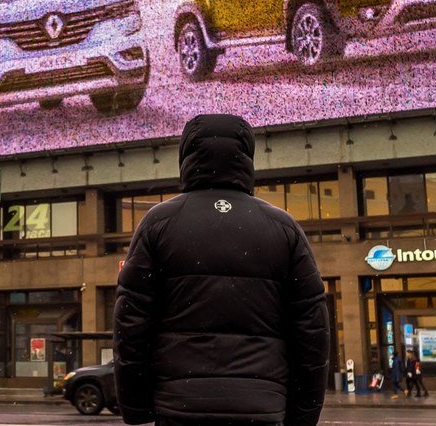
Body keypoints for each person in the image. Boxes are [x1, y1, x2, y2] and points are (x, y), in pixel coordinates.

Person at [114, 114, 329, 426]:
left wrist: (135, 406)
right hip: (261, 407)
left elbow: (130, 324)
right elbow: (312, 330)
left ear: (186, 155)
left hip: (180, 406)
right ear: (247, 156)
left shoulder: (158, 223)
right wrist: (304, 413)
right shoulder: (283, 228)